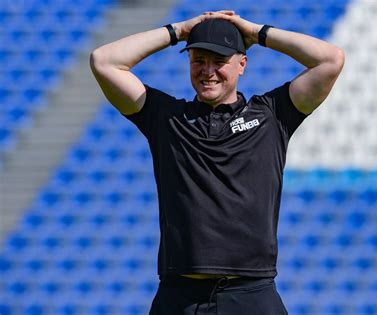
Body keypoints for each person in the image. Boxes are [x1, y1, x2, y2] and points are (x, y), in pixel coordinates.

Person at [90, 10, 344, 315]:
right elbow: (104, 61)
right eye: (198, 60)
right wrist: (179, 31)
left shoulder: (272, 115)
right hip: (180, 296)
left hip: (251, 294)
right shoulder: (168, 118)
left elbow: (331, 60)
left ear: (242, 65)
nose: (208, 71)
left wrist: (256, 32)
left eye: (219, 61)